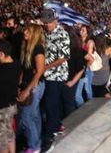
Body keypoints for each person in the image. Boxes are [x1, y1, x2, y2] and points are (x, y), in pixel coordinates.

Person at [40, 9, 70, 153]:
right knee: (51, 102)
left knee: (50, 103)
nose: (47, 25)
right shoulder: (45, 33)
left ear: (55, 21)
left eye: (49, 23)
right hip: (46, 74)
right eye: (45, 23)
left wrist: (45, 67)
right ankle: (56, 125)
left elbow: (63, 57)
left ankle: (49, 135)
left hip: (57, 75)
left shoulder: (62, 34)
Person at [17, 24, 46, 153]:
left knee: (26, 117)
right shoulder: (28, 47)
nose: (24, 33)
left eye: (27, 31)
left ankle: (34, 146)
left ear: (33, 33)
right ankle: (36, 142)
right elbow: (25, 68)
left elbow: (39, 72)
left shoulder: (38, 49)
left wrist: (27, 90)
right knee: (34, 115)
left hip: (35, 86)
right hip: (30, 84)